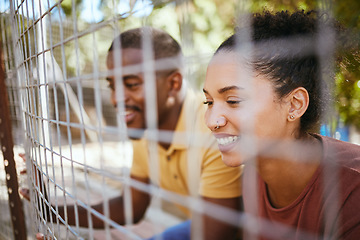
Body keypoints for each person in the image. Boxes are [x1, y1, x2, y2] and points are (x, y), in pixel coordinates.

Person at [22, 27, 243, 240]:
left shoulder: (213, 130)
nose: (117, 99)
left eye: (132, 84)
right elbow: (131, 206)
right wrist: (49, 209)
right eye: (113, 86)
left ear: (174, 83)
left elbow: (217, 233)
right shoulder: (147, 124)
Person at [202, 10, 360, 239]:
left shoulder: (352, 191)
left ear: (295, 105)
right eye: (208, 102)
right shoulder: (252, 177)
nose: (212, 121)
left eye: (233, 101)